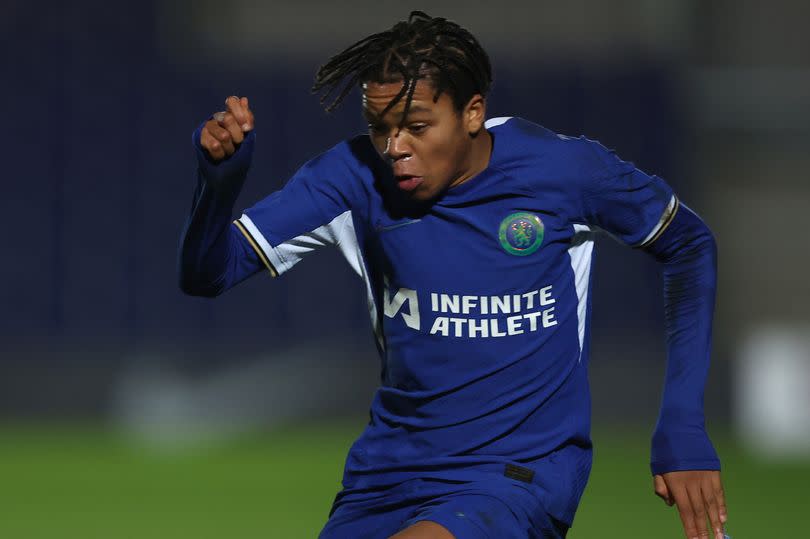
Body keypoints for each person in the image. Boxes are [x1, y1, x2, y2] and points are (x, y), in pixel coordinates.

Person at [179, 11, 727, 539]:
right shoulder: (350, 179)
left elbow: (689, 244)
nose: (396, 148)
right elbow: (210, 273)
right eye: (380, 128)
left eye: (416, 126)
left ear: (471, 113)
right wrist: (220, 184)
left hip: (518, 474)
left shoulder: (563, 172)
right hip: (387, 477)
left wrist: (681, 422)